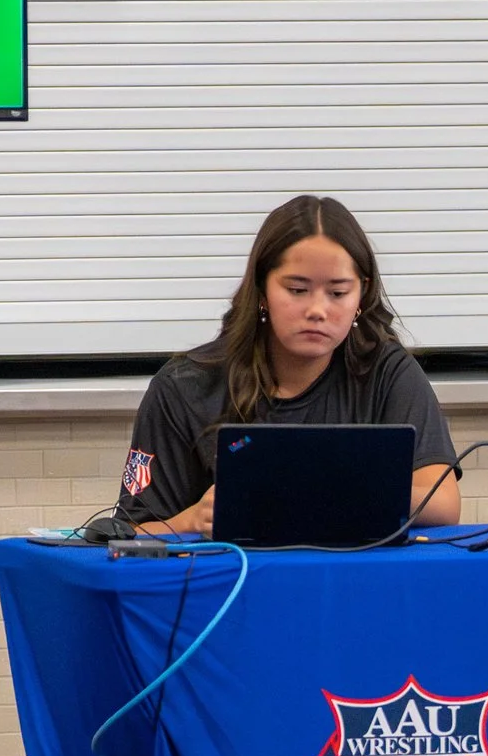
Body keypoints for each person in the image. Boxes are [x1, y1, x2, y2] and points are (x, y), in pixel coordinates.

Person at [116, 195, 460, 536]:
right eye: (297, 290)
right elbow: (128, 533)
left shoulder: (387, 373)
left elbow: (444, 504)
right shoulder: (184, 387)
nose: (317, 310)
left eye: (338, 293)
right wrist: (190, 522)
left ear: (362, 296)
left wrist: (312, 491)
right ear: (262, 290)